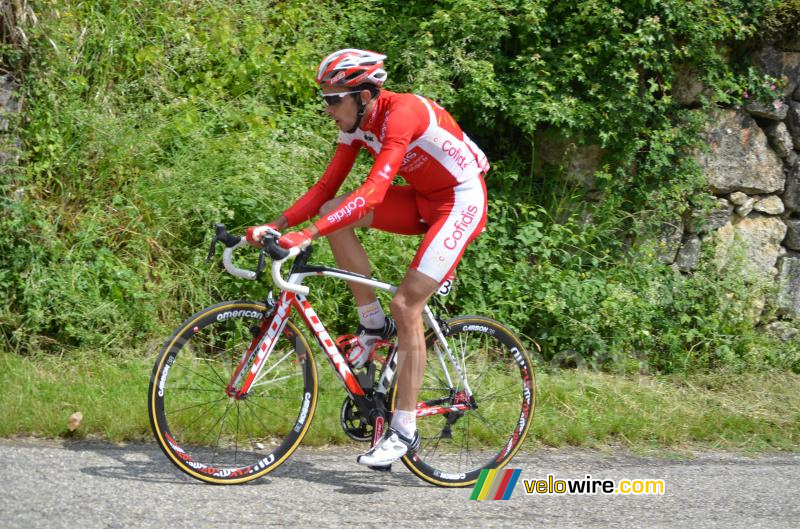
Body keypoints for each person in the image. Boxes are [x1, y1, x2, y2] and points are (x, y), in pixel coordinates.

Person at [246, 48, 489, 467]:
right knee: (331, 215)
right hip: (421, 199)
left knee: (407, 303)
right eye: (324, 99)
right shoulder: (357, 124)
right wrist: (277, 225)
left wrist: (305, 236)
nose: (327, 109)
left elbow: (374, 192)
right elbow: (325, 191)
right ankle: (372, 326)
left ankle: (404, 429)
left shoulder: (403, 113)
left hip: (459, 201)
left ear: (362, 95)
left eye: (332, 99)